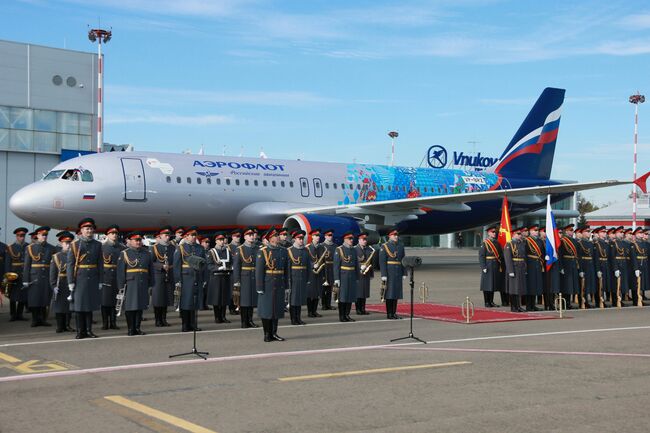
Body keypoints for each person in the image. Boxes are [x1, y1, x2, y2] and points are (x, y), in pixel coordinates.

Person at [67, 218, 103, 339]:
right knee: (79, 307)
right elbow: (70, 264)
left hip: (92, 278)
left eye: (91, 229)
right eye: (87, 229)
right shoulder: (74, 245)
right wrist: (70, 281)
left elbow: (100, 263)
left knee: (89, 306)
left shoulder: (97, 244)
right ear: (81, 230)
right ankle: (80, 331)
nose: (89, 231)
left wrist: (100, 280)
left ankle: (89, 331)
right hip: (79, 278)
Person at [117, 232, 154, 336]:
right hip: (130, 283)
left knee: (140, 307)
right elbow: (120, 272)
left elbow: (150, 270)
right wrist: (120, 286)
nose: (138, 242)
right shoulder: (124, 253)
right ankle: (130, 329)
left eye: (139, 240)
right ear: (130, 241)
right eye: (135, 240)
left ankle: (137, 328)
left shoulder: (147, 253)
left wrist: (151, 283)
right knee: (130, 307)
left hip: (142, 283)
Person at [255, 228, 289, 342]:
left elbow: (286, 270)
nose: (278, 237)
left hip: (279, 283)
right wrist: (259, 287)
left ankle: (274, 333)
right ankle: (266, 334)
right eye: (276, 235)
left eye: (278, 235)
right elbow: (259, 271)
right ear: (270, 238)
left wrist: (287, 286)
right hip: (267, 284)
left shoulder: (283, 251)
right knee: (266, 310)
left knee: (276, 310)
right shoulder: (263, 251)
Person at [173, 227, 206, 332]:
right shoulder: (181, 248)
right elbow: (177, 265)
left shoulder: (200, 248)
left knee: (194, 302)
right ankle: (185, 325)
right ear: (186, 236)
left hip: (197, 277)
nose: (193, 237)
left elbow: (204, 263)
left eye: (194, 235)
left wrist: (204, 278)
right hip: (185, 278)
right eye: (191, 235)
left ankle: (193, 324)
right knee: (185, 302)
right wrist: (178, 280)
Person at [23, 226, 55, 327]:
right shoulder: (30, 248)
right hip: (34, 277)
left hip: (46, 276)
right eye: (42, 235)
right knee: (35, 299)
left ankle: (43, 319)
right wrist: (25, 279)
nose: (44, 237)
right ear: (37, 235)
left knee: (44, 299)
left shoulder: (51, 248)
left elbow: (54, 264)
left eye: (46, 235)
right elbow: (27, 265)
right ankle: (35, 319)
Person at [232, 227, 259, 328]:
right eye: (249, 235)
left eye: (252, 235)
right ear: (245, 237)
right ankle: (244, 321)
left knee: (251, 300)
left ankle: (250, 320)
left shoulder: (257, 248)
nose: (251, 237)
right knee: (244, 301)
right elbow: (237, 266)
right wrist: (237, 280)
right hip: (244, 277)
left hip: (254, 276)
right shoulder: (240, 249)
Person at [50, 231, 75, 333]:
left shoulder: (74, 255)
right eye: (66, 243)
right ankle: (60, 326)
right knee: (59, 306)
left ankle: (68, 325)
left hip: (70, 283)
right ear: (61, 243)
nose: (68, 245)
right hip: (60, 283)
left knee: (68, 306)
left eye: (70, 242)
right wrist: (53, 285)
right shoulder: (56, 256)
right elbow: (52, 273)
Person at [101, 225, 125, 330]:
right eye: (112, 233)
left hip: (117, 277)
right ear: (107, 235)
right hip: (106, 277)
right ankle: (105, 323)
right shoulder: (102, 247)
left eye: (115, 233)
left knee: (115, 301)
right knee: (105, 302)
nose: (114, 235)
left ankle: (113, 322)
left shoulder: (122, 248)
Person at [150, 226, 175, 327]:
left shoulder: (172, 248)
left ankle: (164, 319)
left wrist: (170, 267)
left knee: (166, 299)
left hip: (169, 275)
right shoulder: (154, 248)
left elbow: (174, 261)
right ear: (160, 236)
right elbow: (151, 262)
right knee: (158, 299)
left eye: (168, 235)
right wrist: (161, 266)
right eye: (165, 235)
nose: (167, 237)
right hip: (158, 276)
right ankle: (157, 320)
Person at [379, 228, 406, 320]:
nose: (396, 236)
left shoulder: (401, 246)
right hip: (389, 272)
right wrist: (383, 274)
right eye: (394, 235)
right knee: (389, 294)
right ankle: (389, 313)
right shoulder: (385, 246)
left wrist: (404, 272)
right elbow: (382, 262)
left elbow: (403, 260)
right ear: (389, 236)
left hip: (398, 272)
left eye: (397, 235)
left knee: (396, 294)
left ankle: (394, 313)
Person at [206, 232, 232, 324]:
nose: (222, 241)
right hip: (216, 278)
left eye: (223, 239)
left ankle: (223, 316)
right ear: (216, 241)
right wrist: (217, 268)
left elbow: (231, 263)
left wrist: (230, 268)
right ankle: (217, 317)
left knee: (224, 298)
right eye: (220, 240)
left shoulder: (227, 251)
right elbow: (209, 265)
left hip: (225, 277)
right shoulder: (211, 252)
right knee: (216, 298)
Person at [334, 231, 359, 322]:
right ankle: (342, 316)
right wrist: (337, 278)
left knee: (350, 296)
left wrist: (357, 276)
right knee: (343, 297)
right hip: (343, 276)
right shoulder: (339, 249)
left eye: (352, 238)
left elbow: (356, 264)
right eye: (349, 238)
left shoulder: (353, 250)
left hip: (352, 275)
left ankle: (347, 315)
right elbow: (336, 266)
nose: (351, 240)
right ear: (345, 239)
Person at [287, 230, 310, 325]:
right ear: (294, 239)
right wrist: (288, 279)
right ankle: (293, 319)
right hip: (293, 277)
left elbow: (308, 266)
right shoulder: (289, 250)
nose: (301, 240)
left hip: (302, 277)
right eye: (299, 238)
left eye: (302, 238)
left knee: (299, 298)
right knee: (293, 299)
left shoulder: (305, 250)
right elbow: (287, 267)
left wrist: (308, 278)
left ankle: (298, 318)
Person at [5, 227, 29, 321]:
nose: (22, 237)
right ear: (17, 236)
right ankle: (13, 315)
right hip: (14, 273)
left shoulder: (28, 246)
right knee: (13, 295)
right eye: (20, 236)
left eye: (23, 236)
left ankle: (20, 314)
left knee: (23, 295)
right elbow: (7, 262)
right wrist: (8, 275)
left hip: (24, 273)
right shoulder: (11, 247)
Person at [478, 225, 503, 308]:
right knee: (487, 285)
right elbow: (481, 256)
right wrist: (483, 267)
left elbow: (500, 254)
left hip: (495, 266)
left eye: (495, 232)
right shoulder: (485, 243)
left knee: (492, 285)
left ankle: (491, 301)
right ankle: (487, 302)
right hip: (488, 266)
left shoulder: (497, 243)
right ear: (488, 233)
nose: (494, 233)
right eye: (493, 232)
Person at [504, 227, 526, 312]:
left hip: (520, 268)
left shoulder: (521, 243)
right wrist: (510, 271)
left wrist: (525, 268)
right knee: (514, 288)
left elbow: (523, 257)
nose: (520, 235)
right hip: (514, 268)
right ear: (513, 234)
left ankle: (518, 306)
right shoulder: (509, 244)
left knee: (519, 288)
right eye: (518, 234)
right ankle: (514, 307)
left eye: (520, 234)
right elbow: (508, 258)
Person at [559, 224, 580, 309]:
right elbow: (560, 254)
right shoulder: (562, 241)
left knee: (571, 285)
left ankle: (568, 302)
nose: (572, 232)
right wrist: (561, 267)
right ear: (566, 231)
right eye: (570, 230)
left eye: (572, 230)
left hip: (573, 263)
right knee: (566, 285)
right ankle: (564, 303)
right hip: (566, 263)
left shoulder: (574, 241)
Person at [355, 232, 376, 315]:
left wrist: (371, 274)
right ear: (359, 240)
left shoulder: (368, 249)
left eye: (366, 239)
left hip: (366, 273)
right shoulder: (355, 249)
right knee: (358, 292)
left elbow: (371, 263)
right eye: (363, 240)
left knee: (364, 292)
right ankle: (358, 309)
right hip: (358, 273)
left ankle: (363, 309)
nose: (365, 241)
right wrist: (360, 266)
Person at [609, 226, 629, 308]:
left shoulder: (624, 243)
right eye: (620, 232)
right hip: (617, 264)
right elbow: (612, 257)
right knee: (615, 285)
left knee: (622, 284)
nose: (622, 234)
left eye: (622, 232)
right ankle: (615, 300)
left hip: (623, 264)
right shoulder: (613, 244)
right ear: (616, 233)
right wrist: (615, 268)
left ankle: (620, 299)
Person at [306, 228, 324, 318]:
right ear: (312, 236)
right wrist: (312, 264)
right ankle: (310, 311)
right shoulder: (308, 248)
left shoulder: (321, 247)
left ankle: (314, 311)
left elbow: (324, 260)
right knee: (310, 293)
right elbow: (306, 260)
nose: (318, 237)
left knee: (317, 292)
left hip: (319, 272)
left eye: (318, 236)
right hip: (311, 273)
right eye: (316, 236)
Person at [576, 227, 596, 308]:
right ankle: (582, 301)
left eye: (589, 232)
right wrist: (580, 269)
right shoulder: (579, 243)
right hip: (584, 265)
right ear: (583, 233)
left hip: (590, 265)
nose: (589, 233)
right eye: (587, 232)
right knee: (582, 285)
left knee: (588, 284)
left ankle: (586, 301)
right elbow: (579, 257)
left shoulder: (591, 243)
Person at [592, 226, 611, 308]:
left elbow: (609, 256)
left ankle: (602, 300)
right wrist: (598, 269)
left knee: (604, 284)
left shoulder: (606, 243)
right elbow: (596, 258)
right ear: (598, 234)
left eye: (605, 232)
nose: (604, 233)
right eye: (602, 232)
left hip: (606, 264)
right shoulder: (596, 244)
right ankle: (598, 301)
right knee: (599, 285)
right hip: (600, 265)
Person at [630, 227, 648, 307]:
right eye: (639, 233)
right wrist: (636, 268)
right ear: (635, 234)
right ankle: (635, 300)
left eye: (642, 233)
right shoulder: (633, 244)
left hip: (644, 264)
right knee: (636, 284)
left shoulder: (644, 243)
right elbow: (633, 257)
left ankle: (640, 298)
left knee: (642, 283)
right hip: (637, 264)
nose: (641, 235)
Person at [320, 229, 337, 310]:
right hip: (324, 267)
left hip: (332, 267)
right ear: (325, 236)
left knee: (330, 287)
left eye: (331, 235)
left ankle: (328, 304)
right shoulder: (321, 245)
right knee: (323, 287)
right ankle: (323, 304)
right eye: (329, 235)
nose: (330, 237)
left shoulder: (335, 246)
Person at [227, 229, 242, 315]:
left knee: (240, 290)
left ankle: (238, 307)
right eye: (236, 236)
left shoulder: (241, 246)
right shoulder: (228, 247)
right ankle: (232, 308)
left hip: (241, 271)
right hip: (232, 271)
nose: (238, 238)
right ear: (232, 237)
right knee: (233, 291)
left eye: (239, 236)